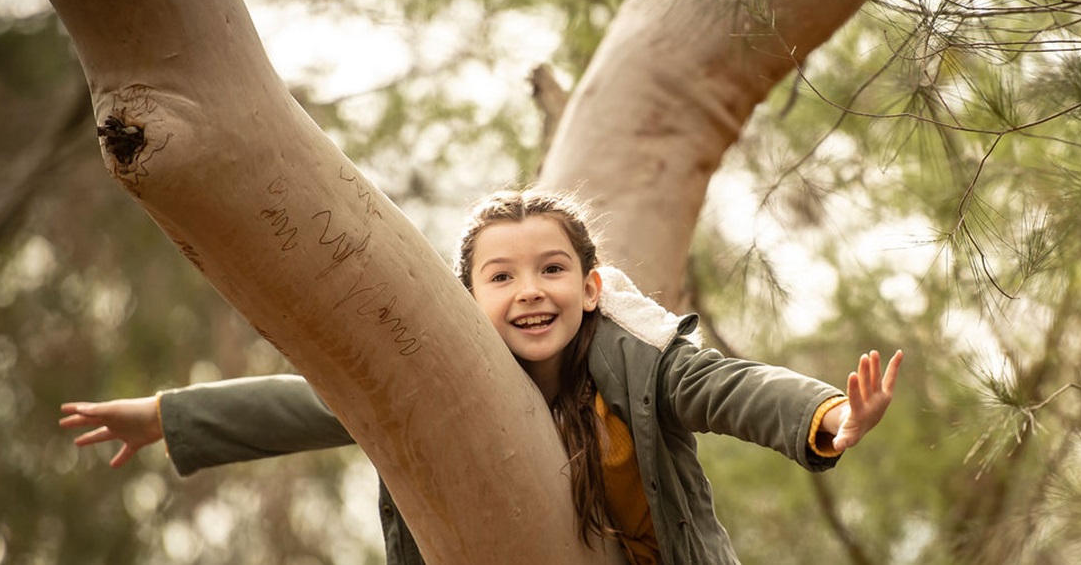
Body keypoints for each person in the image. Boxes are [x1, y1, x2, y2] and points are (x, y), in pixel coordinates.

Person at [61, 190, 903, 565]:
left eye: (551, 270)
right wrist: (168, 417)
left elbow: (726, 385)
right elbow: (320, 403)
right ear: (467, 298)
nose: (530, 291)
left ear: (591, 284)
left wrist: (827, 416)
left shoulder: (632, 358)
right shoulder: (448, 377)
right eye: (501, 278)